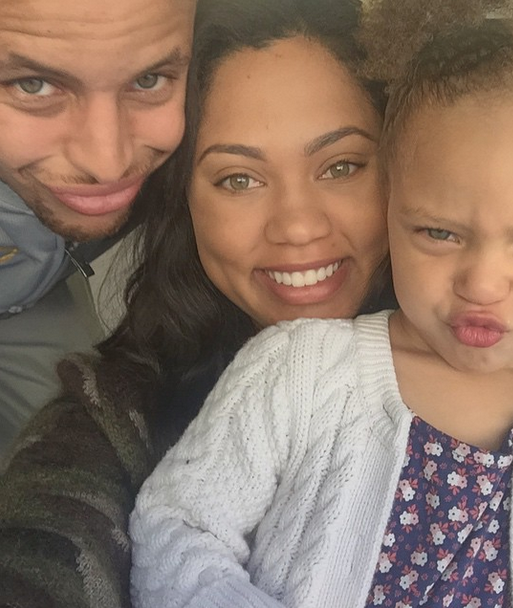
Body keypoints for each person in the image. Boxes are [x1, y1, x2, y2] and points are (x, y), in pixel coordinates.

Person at [130, 1, 513, 607]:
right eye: (439, 232)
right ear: (390, 204)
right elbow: (178, 527)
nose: (483, 284)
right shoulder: (297, 369)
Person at [0, 0, 392, 605]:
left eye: (341, 166)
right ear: (184, 203)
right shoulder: (115, 419)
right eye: (239, 179)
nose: (297, 227)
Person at [0, 0, 196, 457]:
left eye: (148, 80)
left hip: (34, 301)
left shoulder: (191, 142)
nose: (109, 165)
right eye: (33, 84)